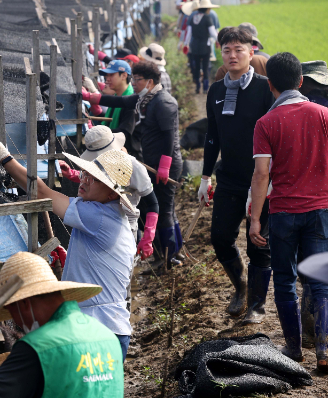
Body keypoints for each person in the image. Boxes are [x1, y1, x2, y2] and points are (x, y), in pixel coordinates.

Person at [0, 140, 136, 360]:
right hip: (111, 327)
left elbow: (40, 191)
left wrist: (3, 156)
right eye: (85, 173)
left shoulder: (97, 216)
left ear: (112, 195)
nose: (84, 181)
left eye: (94, 179)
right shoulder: (112, 215)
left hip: (98, 329)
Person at [249, 52, 328, 371]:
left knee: (284, 280)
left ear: (270, 85)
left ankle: (294, 348)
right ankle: (324, 352)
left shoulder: (266, 123)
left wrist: (255, 218)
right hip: (320, 211)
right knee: (321, 282)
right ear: (300, 82)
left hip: (282, 213)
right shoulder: (323, 114)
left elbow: (261, 174)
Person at [200, 26, 274, 323]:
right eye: (227, 50)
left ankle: (256, 305)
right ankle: (241, 286)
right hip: (229, 178)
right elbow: (212, 137)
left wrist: (272, 179)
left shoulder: (265, 88)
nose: (232, 55)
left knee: (259, 243)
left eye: (238, 50)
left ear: (250, 52)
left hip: (261, 179)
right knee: (220, 239)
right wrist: (205, 178)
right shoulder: (216, 90)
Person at [0, 252, 124, 398]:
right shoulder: (108, 337)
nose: (16, 322)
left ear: (23, 303)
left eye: (12, 312)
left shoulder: (37, 347)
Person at [86, 61, 184, 269]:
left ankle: (168, 257)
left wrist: (165, 166)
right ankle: (168, 253)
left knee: (164, 209)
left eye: (137, 80)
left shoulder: (163, 103)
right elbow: (121, 102)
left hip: (165, 164)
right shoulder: (146, 99)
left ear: (149, 82)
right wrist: (93, 97)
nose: (134, 83)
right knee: (161, 207)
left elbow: (169, 138)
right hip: (153, 161)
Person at [58, 126, 158, 257]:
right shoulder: (95, 163)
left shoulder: (134, 167)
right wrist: (71, 173)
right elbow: (93, 180)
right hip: (95, 220)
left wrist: (148, 238)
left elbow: (152, 203)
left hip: (124, 226)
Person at [96, 60, 137, 159]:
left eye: (111, 75)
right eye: (106, 75)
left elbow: (123, 133)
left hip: (126, 159)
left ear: (123, 76)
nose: (107, 79)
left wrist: (97, 132)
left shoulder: (131, 102)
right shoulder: (116, 98)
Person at [182, 0, 220, 94]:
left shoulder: (193, 18)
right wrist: (218, 40)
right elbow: (213, 33)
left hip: (194, 46)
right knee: (206, 66)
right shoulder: (207, 18)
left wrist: (186, 44)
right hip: (205, 46)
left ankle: (197, 87)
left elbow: (189, 33)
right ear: (207, 9)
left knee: (197, 67)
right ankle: (205, 88)